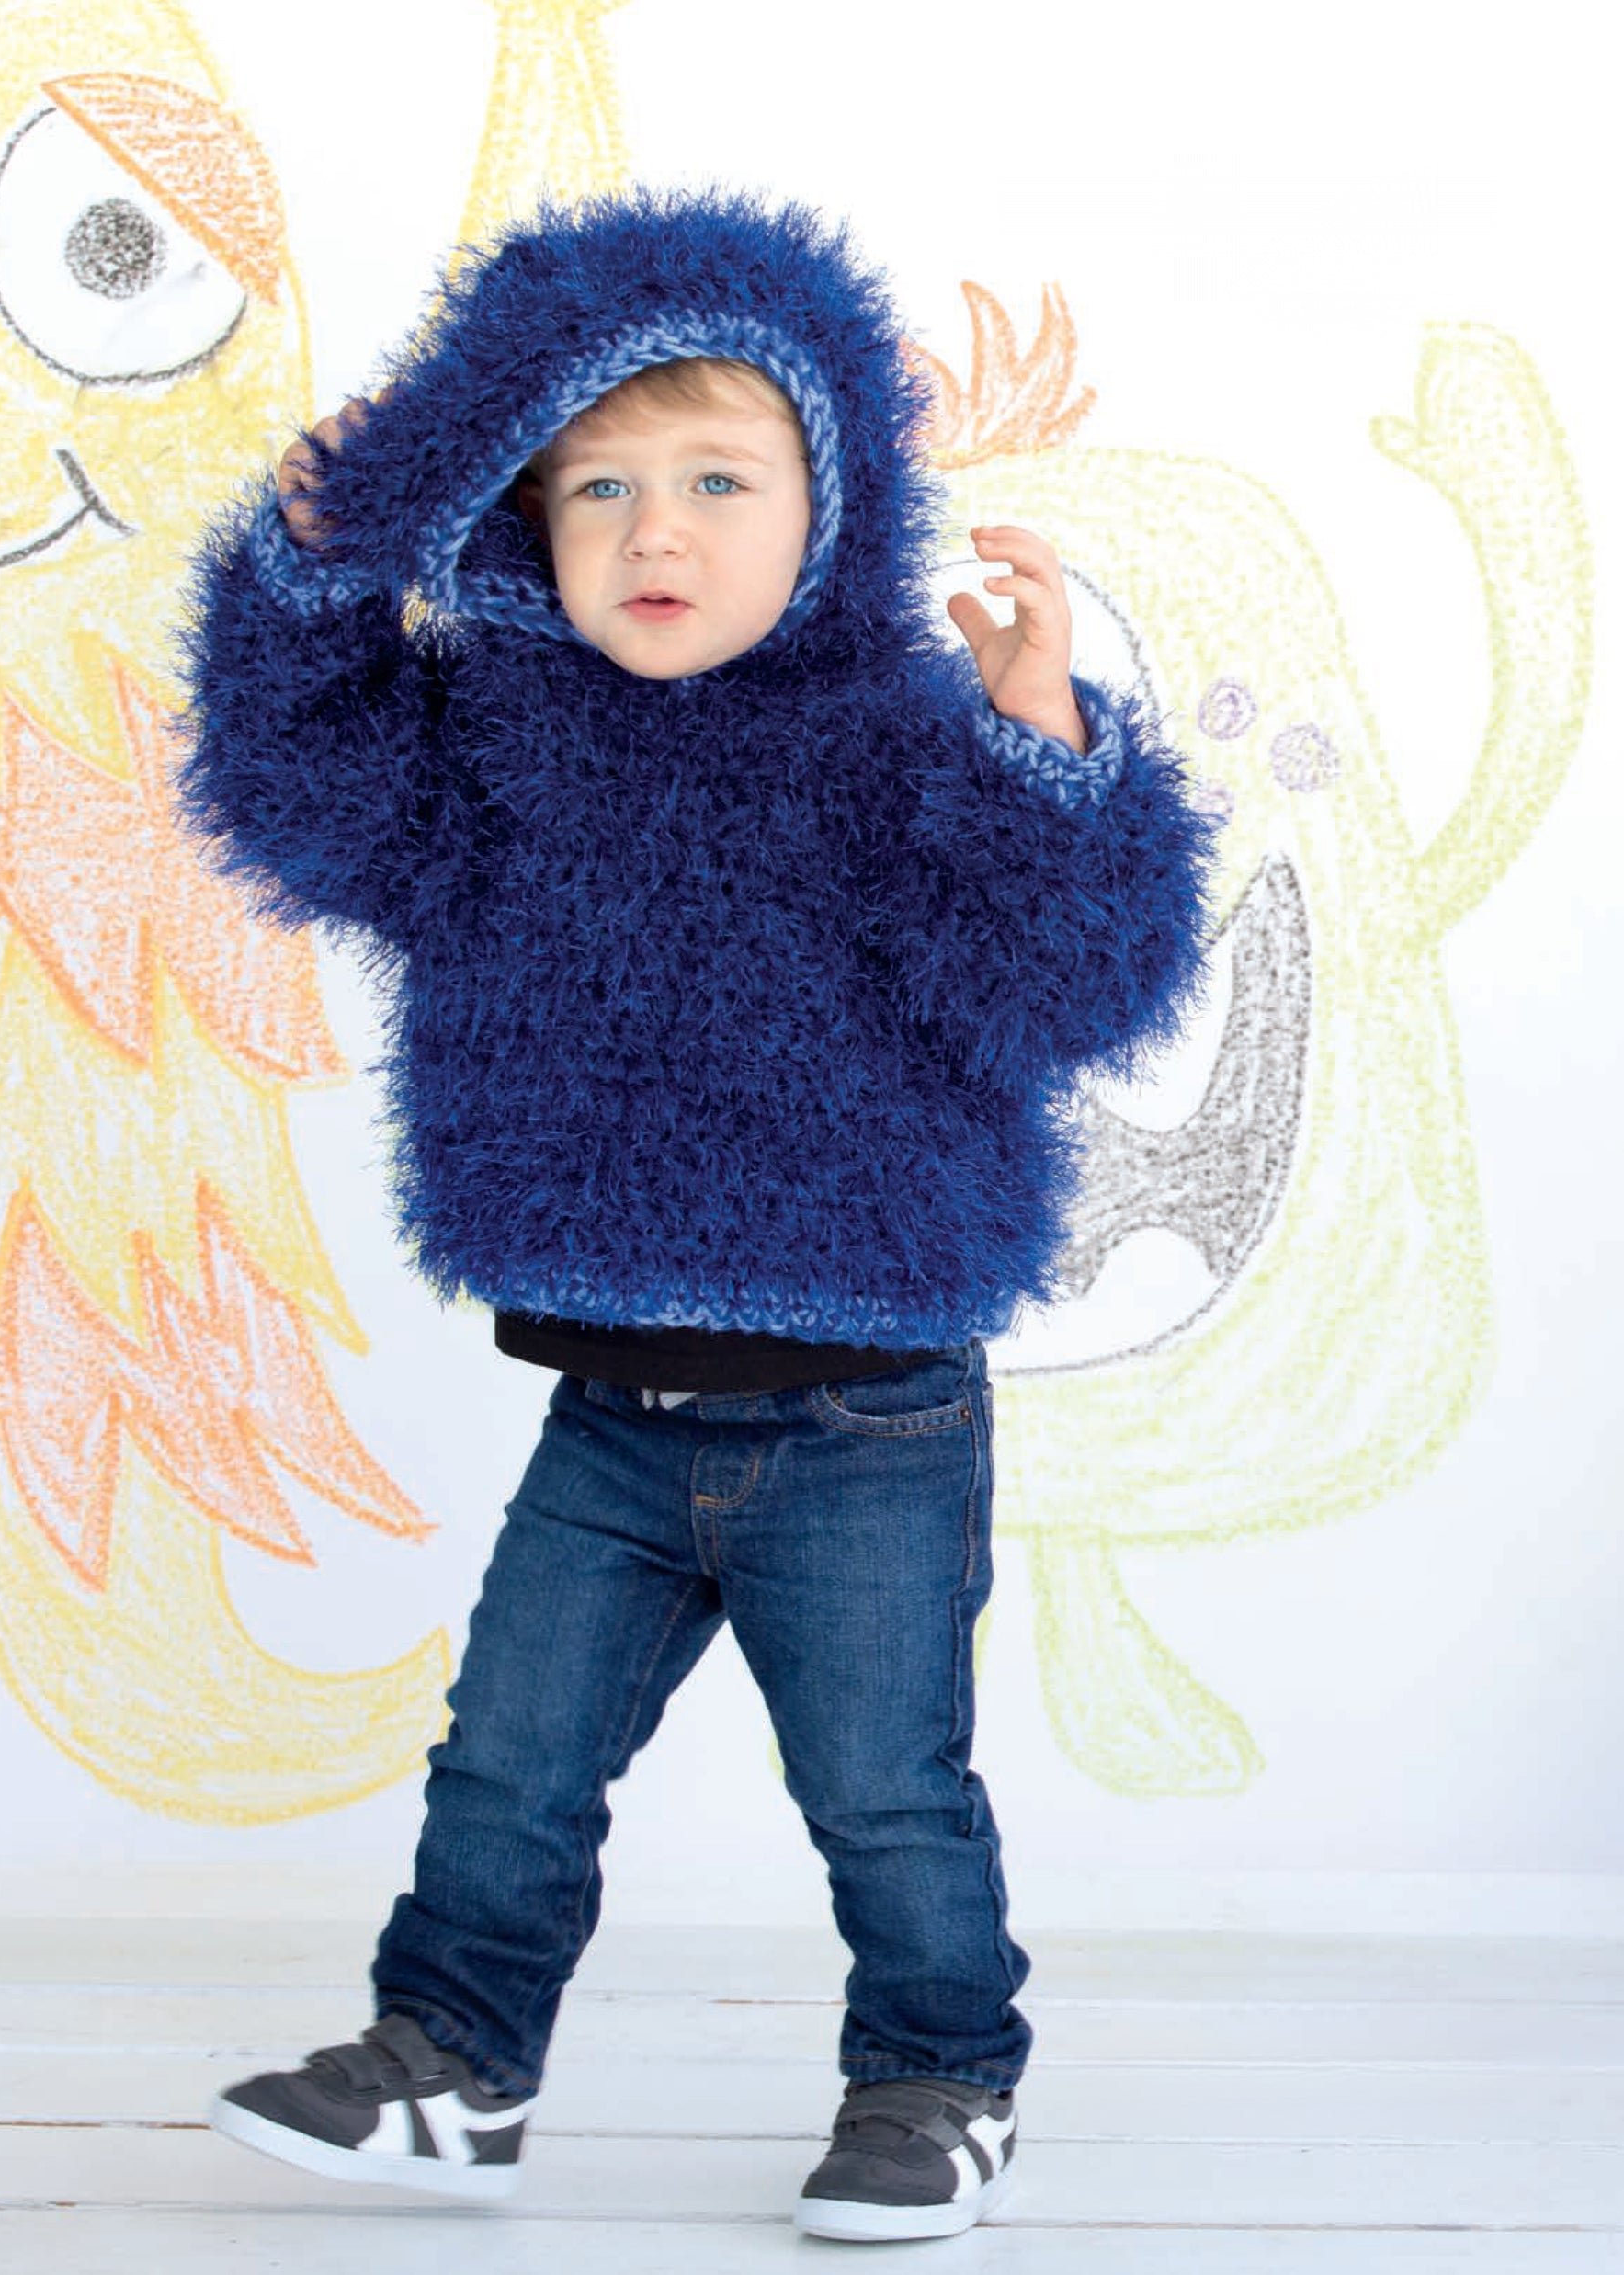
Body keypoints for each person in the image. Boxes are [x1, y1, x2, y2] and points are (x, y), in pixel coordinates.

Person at [176, 185, 1213, 2245]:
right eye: (599, 490)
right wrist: (307, 570)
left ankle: (939, 2076)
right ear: (517, 519)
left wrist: (1037, 749)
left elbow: (1073, 981)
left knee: (887, 1795)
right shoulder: (495, 745)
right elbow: (298, 783)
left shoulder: (903, 742)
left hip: (867, 1424)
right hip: (609, 1426)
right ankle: (448, 2062)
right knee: (505, 1771)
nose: (657, 534)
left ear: (828, 500)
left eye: (718, 479)